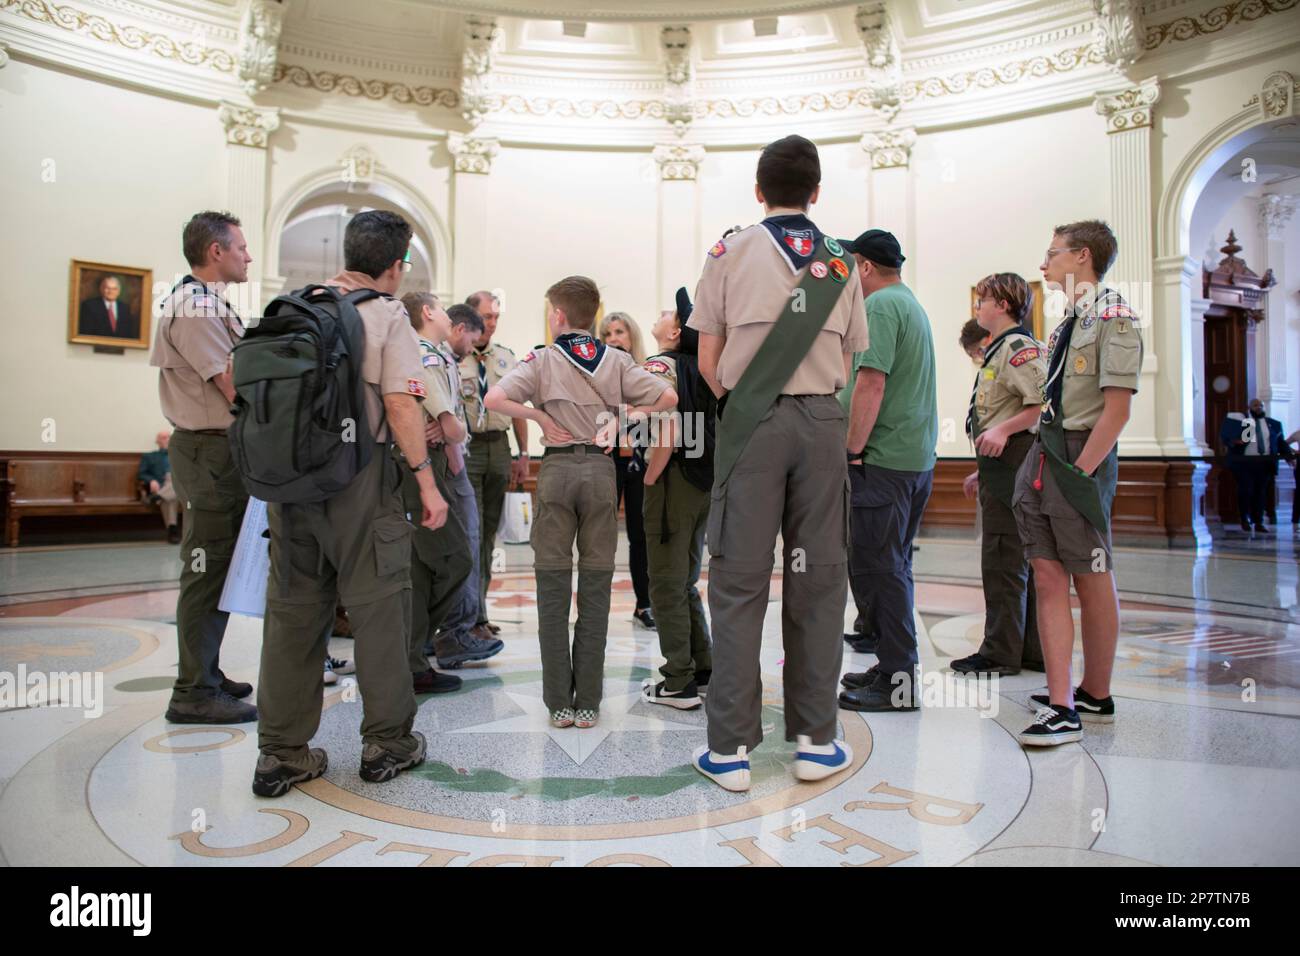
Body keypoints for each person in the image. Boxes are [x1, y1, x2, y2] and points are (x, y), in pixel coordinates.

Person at [687, 134, 865, 792]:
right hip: (821, 425)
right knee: (818, 582)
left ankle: (729, 751)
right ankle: (817, 744)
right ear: (816, 191)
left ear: (758, 191)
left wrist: (752, 397)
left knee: (737, 583)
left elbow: (708, 365)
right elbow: (848, 363)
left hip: (752, 424)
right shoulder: (842, 264)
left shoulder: (728, 251)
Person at [253, 210, 450, 797]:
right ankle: (387, 744)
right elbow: (402, 404)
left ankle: (282, 753)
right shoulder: (386, 314)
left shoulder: (295, 305)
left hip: (288, 483)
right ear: (396, 264)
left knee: (292, 614)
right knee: (381, 609)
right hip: (360, 479)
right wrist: (427, 483)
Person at [484, 276, 675, 730]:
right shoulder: (616, 358)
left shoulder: (542, 357)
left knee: (552, 590)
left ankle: (558, 704)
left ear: (558, 315)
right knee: (596, 588)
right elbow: (668, 397)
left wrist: (538, 415)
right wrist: (622, 419)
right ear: (594, 315)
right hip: (600, 474)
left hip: (555, 471)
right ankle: (588, 701)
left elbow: (495, 397)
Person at [1017, 219, 1142, 745]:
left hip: (1080, 455)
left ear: (1082, 256)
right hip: (1048, 449)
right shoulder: (1068, 319)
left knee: (1090, 573)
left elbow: (1117, 411)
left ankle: (1092, 695)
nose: (1044, 264)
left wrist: (1081, 472)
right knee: (1046, 573)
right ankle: (1065, 696)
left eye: (1053, 254)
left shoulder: (1114, 317)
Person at [150, 210, 255, 725]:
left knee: (216, 567)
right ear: (216, 251)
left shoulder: (208, 302)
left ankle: (207, 672)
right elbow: (231, 383)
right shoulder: (195, 307)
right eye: (240, 247)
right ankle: (192, 690)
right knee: (205, 567)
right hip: (208, 450)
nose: (248, 255)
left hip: (218, 449)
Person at [837, 229, 937, 713]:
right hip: (911, 460)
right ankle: (891, 665)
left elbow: (870, 383)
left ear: (864, 267)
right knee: (892, 565)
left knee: (881, 568)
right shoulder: (908, 302)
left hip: (881, 459)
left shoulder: (879, 307)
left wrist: (853, 451)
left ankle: (899, 681)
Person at [952, 273, 1046, 677]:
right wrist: (981, 469)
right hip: (1001, 465)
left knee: (1004, 559)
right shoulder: (999, 350)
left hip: (1015, 464)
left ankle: (999, 652)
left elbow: (1042, 404)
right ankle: (1027, 649)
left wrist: (1004, 431)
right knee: (1010, 558)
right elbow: (1002, 413)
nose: (978, 308)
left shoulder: (1019, 348)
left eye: (983, 301)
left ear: (1003, 305)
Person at [399, 292, 484, 695]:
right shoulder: (426, 355)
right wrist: (449, 430)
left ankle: (412, 657)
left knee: (422, 570)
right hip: (424, 464)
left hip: (420, 462)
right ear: (428, 312)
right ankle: (412, 649)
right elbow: (453, 427)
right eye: (440, 305)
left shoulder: (428, 352)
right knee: (456, 558)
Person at [639, 288, 716, 709]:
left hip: (672, 478)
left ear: (674, 332)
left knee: (665, 583)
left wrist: (651, 476)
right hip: (703, 481)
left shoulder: (659, 366)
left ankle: (677, 681)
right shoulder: (701, 367)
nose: (662, 314)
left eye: (668, 313)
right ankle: (702, 666)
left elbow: (666, 427)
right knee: (685, 579)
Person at [419, 300, 506, 670]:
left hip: (461, 456)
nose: (473, 346)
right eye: (472, 337)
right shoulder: (429, 358)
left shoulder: (443, 358)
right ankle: (454, 633)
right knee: (460, 550)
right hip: (450, 463)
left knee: (466, 547)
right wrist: (455, 457)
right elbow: (449, 422)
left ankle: (449, 630)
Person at [461, 290, 530, 637]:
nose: (491, 324)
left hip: (499, 448)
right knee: (470, 534)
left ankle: (480, 613)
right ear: (471, 317)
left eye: (495, 318)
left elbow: (516, 407)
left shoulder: (506, 358)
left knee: (488, 536)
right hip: (467, 448)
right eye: (486, 317)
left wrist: (523, 453)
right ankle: (469, 618)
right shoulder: (455, 356)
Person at [600, 311, 656, 631]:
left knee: (640, 535)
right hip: (605, 460)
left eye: (619, 332)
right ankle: (595, 607)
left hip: (639, 458)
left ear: (632, 335)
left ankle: (644, 604)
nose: (613, 340)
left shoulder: (646, 371)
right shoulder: (596, 374)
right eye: (607, 334)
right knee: (601, 536)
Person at [1220, 400, 1293, 534]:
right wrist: (1233, 441)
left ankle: (1258, 522)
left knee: (1260, 492)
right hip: (1245, 463)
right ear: (1249, 407)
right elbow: (1228, 438)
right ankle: (1244, 520)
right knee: (1245, 491)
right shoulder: (1245, 422)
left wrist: (1289, 457)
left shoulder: (1273, 424)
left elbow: (1280, 443)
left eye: (1261, 406)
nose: (1259, 408)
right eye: (1255, 405)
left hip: (1264, 463)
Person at [138, 429, 179, 543]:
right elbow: (142, 473)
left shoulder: (180, 456)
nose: (167, 440)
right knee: (170, 498)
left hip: (181, 487)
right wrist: (151, 480)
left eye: (169, 437)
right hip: (164, 487)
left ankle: (156, 497)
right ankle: (172, 530)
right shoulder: (149, 456)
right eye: (163, 437)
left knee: (175, 479)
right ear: (157, 441)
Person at [80, 275, 139, 339]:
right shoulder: (89, 306)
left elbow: (128, 334)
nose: (110, 292)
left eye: (114, 289)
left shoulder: (124, 308)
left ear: (118, 291)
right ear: (101, 289)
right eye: (107, 288)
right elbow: (85, 333)